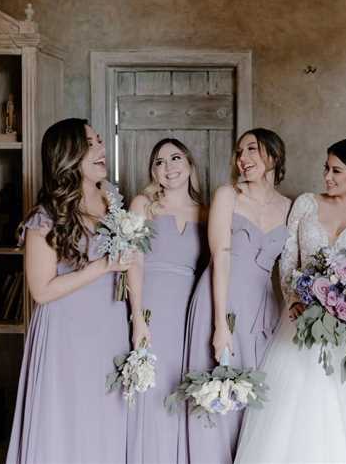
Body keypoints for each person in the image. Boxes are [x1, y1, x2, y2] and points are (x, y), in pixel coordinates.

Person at [235, 137, 346, 463]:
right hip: (302, 320)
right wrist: (294, 300)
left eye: (336, 170)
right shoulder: (306, 203)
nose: (327, 176)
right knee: (296, 411)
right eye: (326, 168)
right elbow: (288, 260)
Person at [6, 119, 132, 463]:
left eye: (100, 141)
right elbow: (42, 291)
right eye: (91, 144)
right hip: (67, 332)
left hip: (110, 325)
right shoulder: (47, 215)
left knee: (106, 416)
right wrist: (103, 266)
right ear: (68, 154)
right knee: (68, 418)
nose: (101, 150)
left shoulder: (114, 203)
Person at [184, 129, 290, 464]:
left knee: (253, 400)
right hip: (221, 299)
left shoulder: (291, 207)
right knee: (214, 396)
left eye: (252, 150)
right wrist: (219, 324)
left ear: (274, 156)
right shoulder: (227, 195)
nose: (243, 159)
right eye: (239, 152)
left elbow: (290, 270)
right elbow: (221, 257)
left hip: (263, 309)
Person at [125, 138, 208, 463]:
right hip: (152, 309)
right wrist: (138, 317)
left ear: (189, 164)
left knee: (181, 390)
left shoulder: (207, 211)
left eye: (175, 158)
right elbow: (134, 262)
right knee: (152, 390)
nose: (168, 167)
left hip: (189, 313)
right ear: (153, 171)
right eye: (159, 161)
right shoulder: (142, 205)